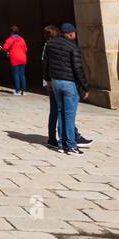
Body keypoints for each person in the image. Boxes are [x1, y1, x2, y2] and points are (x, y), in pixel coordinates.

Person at [43, 22, 90, 155]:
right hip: (69, 83)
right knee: (69, 116)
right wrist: (85, 87)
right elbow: (78, 68)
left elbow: (46, 64)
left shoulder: (50, 45)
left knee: (61, 112)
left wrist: (48, 79)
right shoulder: (72, 46)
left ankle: (61, 144)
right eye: (74, 32)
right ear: (70, 33)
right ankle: (71, 146)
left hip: (56, 82)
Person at [2, 25, 28, 94]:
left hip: (15, 59)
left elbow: (4, 48)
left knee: (16, 75)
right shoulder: (22, 39)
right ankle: (24, 91)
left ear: (11, 32)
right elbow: (26, 49)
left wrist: (8, 50)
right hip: (23, 58)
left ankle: (17, 91)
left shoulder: (10, 39)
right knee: (22, 74)